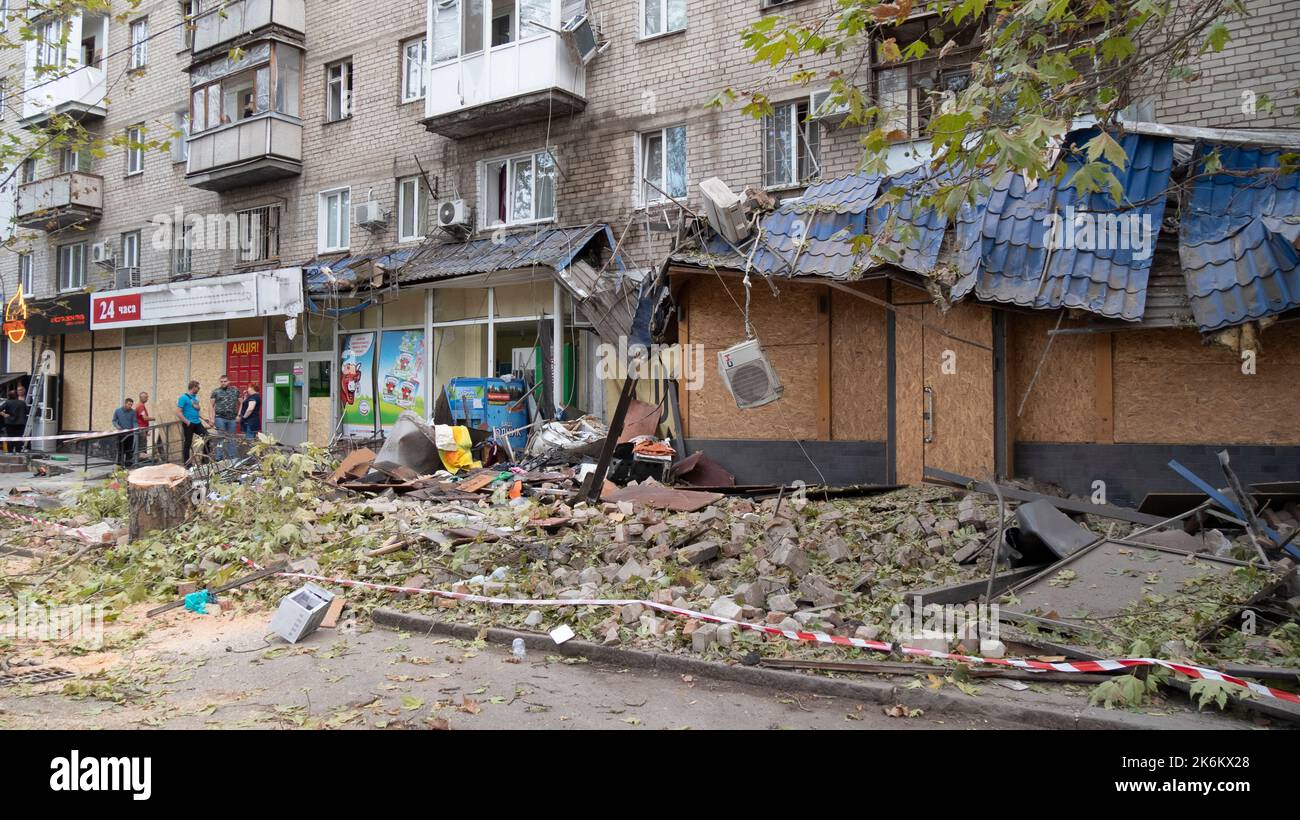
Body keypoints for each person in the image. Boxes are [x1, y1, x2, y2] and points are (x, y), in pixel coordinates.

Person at [176, 380, 209, 465]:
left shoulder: (195, 398)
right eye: (198, 387)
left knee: (207, 437)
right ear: (193, 387)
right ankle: (187, 463)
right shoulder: (183, 398)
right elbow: (178, 412)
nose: (199, 389)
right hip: (189, 423)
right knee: (188, 442)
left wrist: (204, 419)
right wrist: (187, 422)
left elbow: (196, 411)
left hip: (197, 422)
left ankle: (204, 461)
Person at [210, 374, 240, 461]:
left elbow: (241, 402)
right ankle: (219, 458)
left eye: (225, 381)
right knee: (221, 438)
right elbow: (211, 405)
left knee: (231, 438)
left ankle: (233, 458)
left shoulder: (235, 391)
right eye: (221, 381)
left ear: (229, 381)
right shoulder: (216, 392)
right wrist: (212, 418)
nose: (223, 383)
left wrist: (239, 415)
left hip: (232, 418)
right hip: (220, 418)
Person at [112, 397, 138, 467]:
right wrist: (117, 426)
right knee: (120, 449)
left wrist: (136, 428)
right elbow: (114, 420)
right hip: (121, 434)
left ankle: (128, 464)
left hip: (130, 434)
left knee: (129, 450)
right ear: (125, 403)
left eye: (131, 405)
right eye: (129, 404)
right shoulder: (117, 411)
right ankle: (119, 465)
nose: (130, 406)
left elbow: (134, 422)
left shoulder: (133, 412)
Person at [0, 387, 26, 453]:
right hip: (21, 423)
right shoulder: (22, 403)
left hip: (10, 423)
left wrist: (4, 415)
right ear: (17, 396)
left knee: (10, 437)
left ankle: (10, 452)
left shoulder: (7, 402)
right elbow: (27, 411)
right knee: (19, 437)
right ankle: (18, 451)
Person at [135, 390, 152, 460]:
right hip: (141, 429)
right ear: (141, 398)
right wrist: (154, 418)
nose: (147, 399)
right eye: (146, 397)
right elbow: (144, 418)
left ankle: (142, 460)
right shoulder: (140, 406)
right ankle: (141, 461)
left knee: (142, 446)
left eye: (147, 397)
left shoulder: (140, 406)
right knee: (142, 446)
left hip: (143, 429)